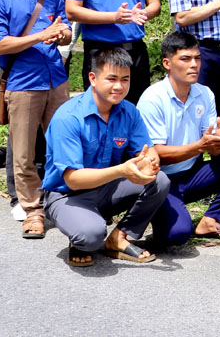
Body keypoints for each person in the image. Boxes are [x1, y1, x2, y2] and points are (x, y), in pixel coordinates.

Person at [0, 0, 73, 238]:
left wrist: (63, 33)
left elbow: (66, 30)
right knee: (23, 153)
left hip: (57, 78)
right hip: (22, 82)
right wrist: (40, 35)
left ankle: (65, 202)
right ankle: (32, 212)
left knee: (65, 143)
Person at [42, 48, 171, 267]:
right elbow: (72, 179)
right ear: (93, 78)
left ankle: (119, 238)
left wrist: (150, 161)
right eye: (111, 79)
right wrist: (122, 170)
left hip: (107, 188)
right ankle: (81, 235)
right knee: (90, 236)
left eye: (125, 79)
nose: (119, 86)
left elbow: (144, 150)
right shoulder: (69, 117)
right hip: (67, 194)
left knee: (159, 181)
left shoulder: (129, 112)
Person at [137, 31, 220, 246]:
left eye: (197, 58)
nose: (194, 65)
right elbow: (157, 156)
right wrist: (200, 146)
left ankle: (212, 220)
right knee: (177, 236)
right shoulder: (152, 98)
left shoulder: (205, 93)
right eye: (185, 59)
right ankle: (156, 212)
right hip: (160, 180)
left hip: (192, 174)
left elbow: (212, 150)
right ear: (167, 63)